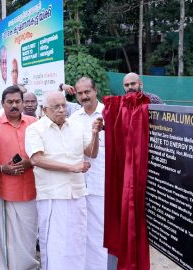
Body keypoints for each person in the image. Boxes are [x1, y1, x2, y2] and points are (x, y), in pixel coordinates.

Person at [25, 91, 103, 270]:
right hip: (52, 196)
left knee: (76, 243)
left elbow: (92, 153)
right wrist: (72, 168)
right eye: (56, 107)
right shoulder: (35, 129)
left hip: (77, 194)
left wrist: (95, 134)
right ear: (45, 110)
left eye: (63, 105)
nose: (61, 110)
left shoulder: (75, 126)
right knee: (54, 245)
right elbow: (36, 159)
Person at [0, 86, 38, 270]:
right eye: (10, 102)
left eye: (18, 101)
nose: (14, 105)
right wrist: (3, 168)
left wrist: (30, 162)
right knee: (9, 240)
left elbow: (43, 152)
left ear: (23, 103)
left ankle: (29, 266)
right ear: (3, 104)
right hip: (7, 192)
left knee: (29, 236)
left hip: (33, 189)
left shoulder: (34, 123)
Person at [70, 77, 110, 270]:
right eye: (80, 93)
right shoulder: (74, 119)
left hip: (102, 182)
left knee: (101, 231)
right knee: (81, 230)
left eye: (87, 92)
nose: (84, 96)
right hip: (79, 183)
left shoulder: (109, 114)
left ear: (95, 91)